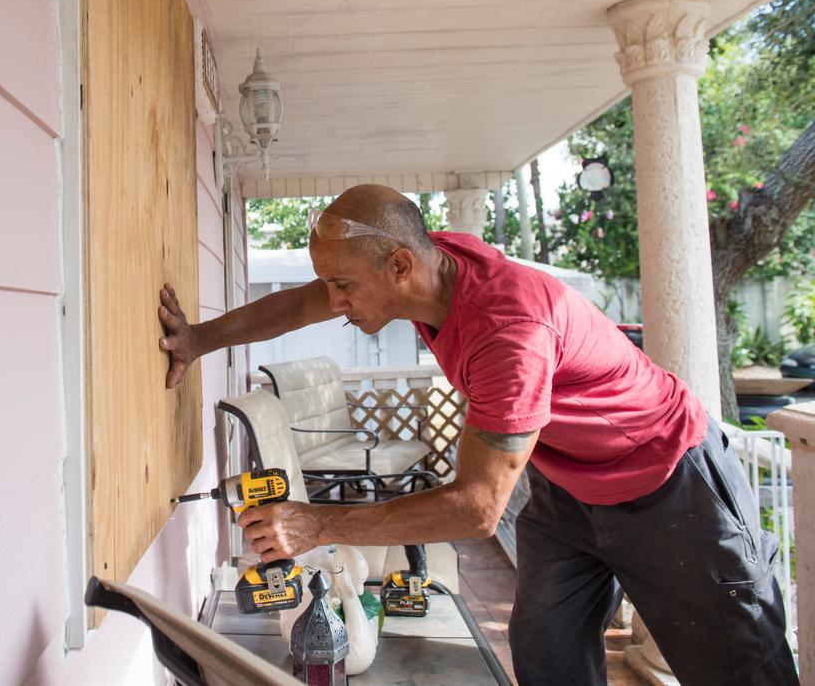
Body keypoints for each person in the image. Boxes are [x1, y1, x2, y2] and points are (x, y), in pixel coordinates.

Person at [157, 184, 795, 685]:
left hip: (667, 480)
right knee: (548, 655)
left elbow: (478, 507)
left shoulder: (508, 332)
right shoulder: (432, 265)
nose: (333, 299)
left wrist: (319, 524)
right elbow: (298, 305)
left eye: (342, 286)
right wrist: (199, 339)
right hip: (573, 486)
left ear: (402, 265)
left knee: (736, 665)